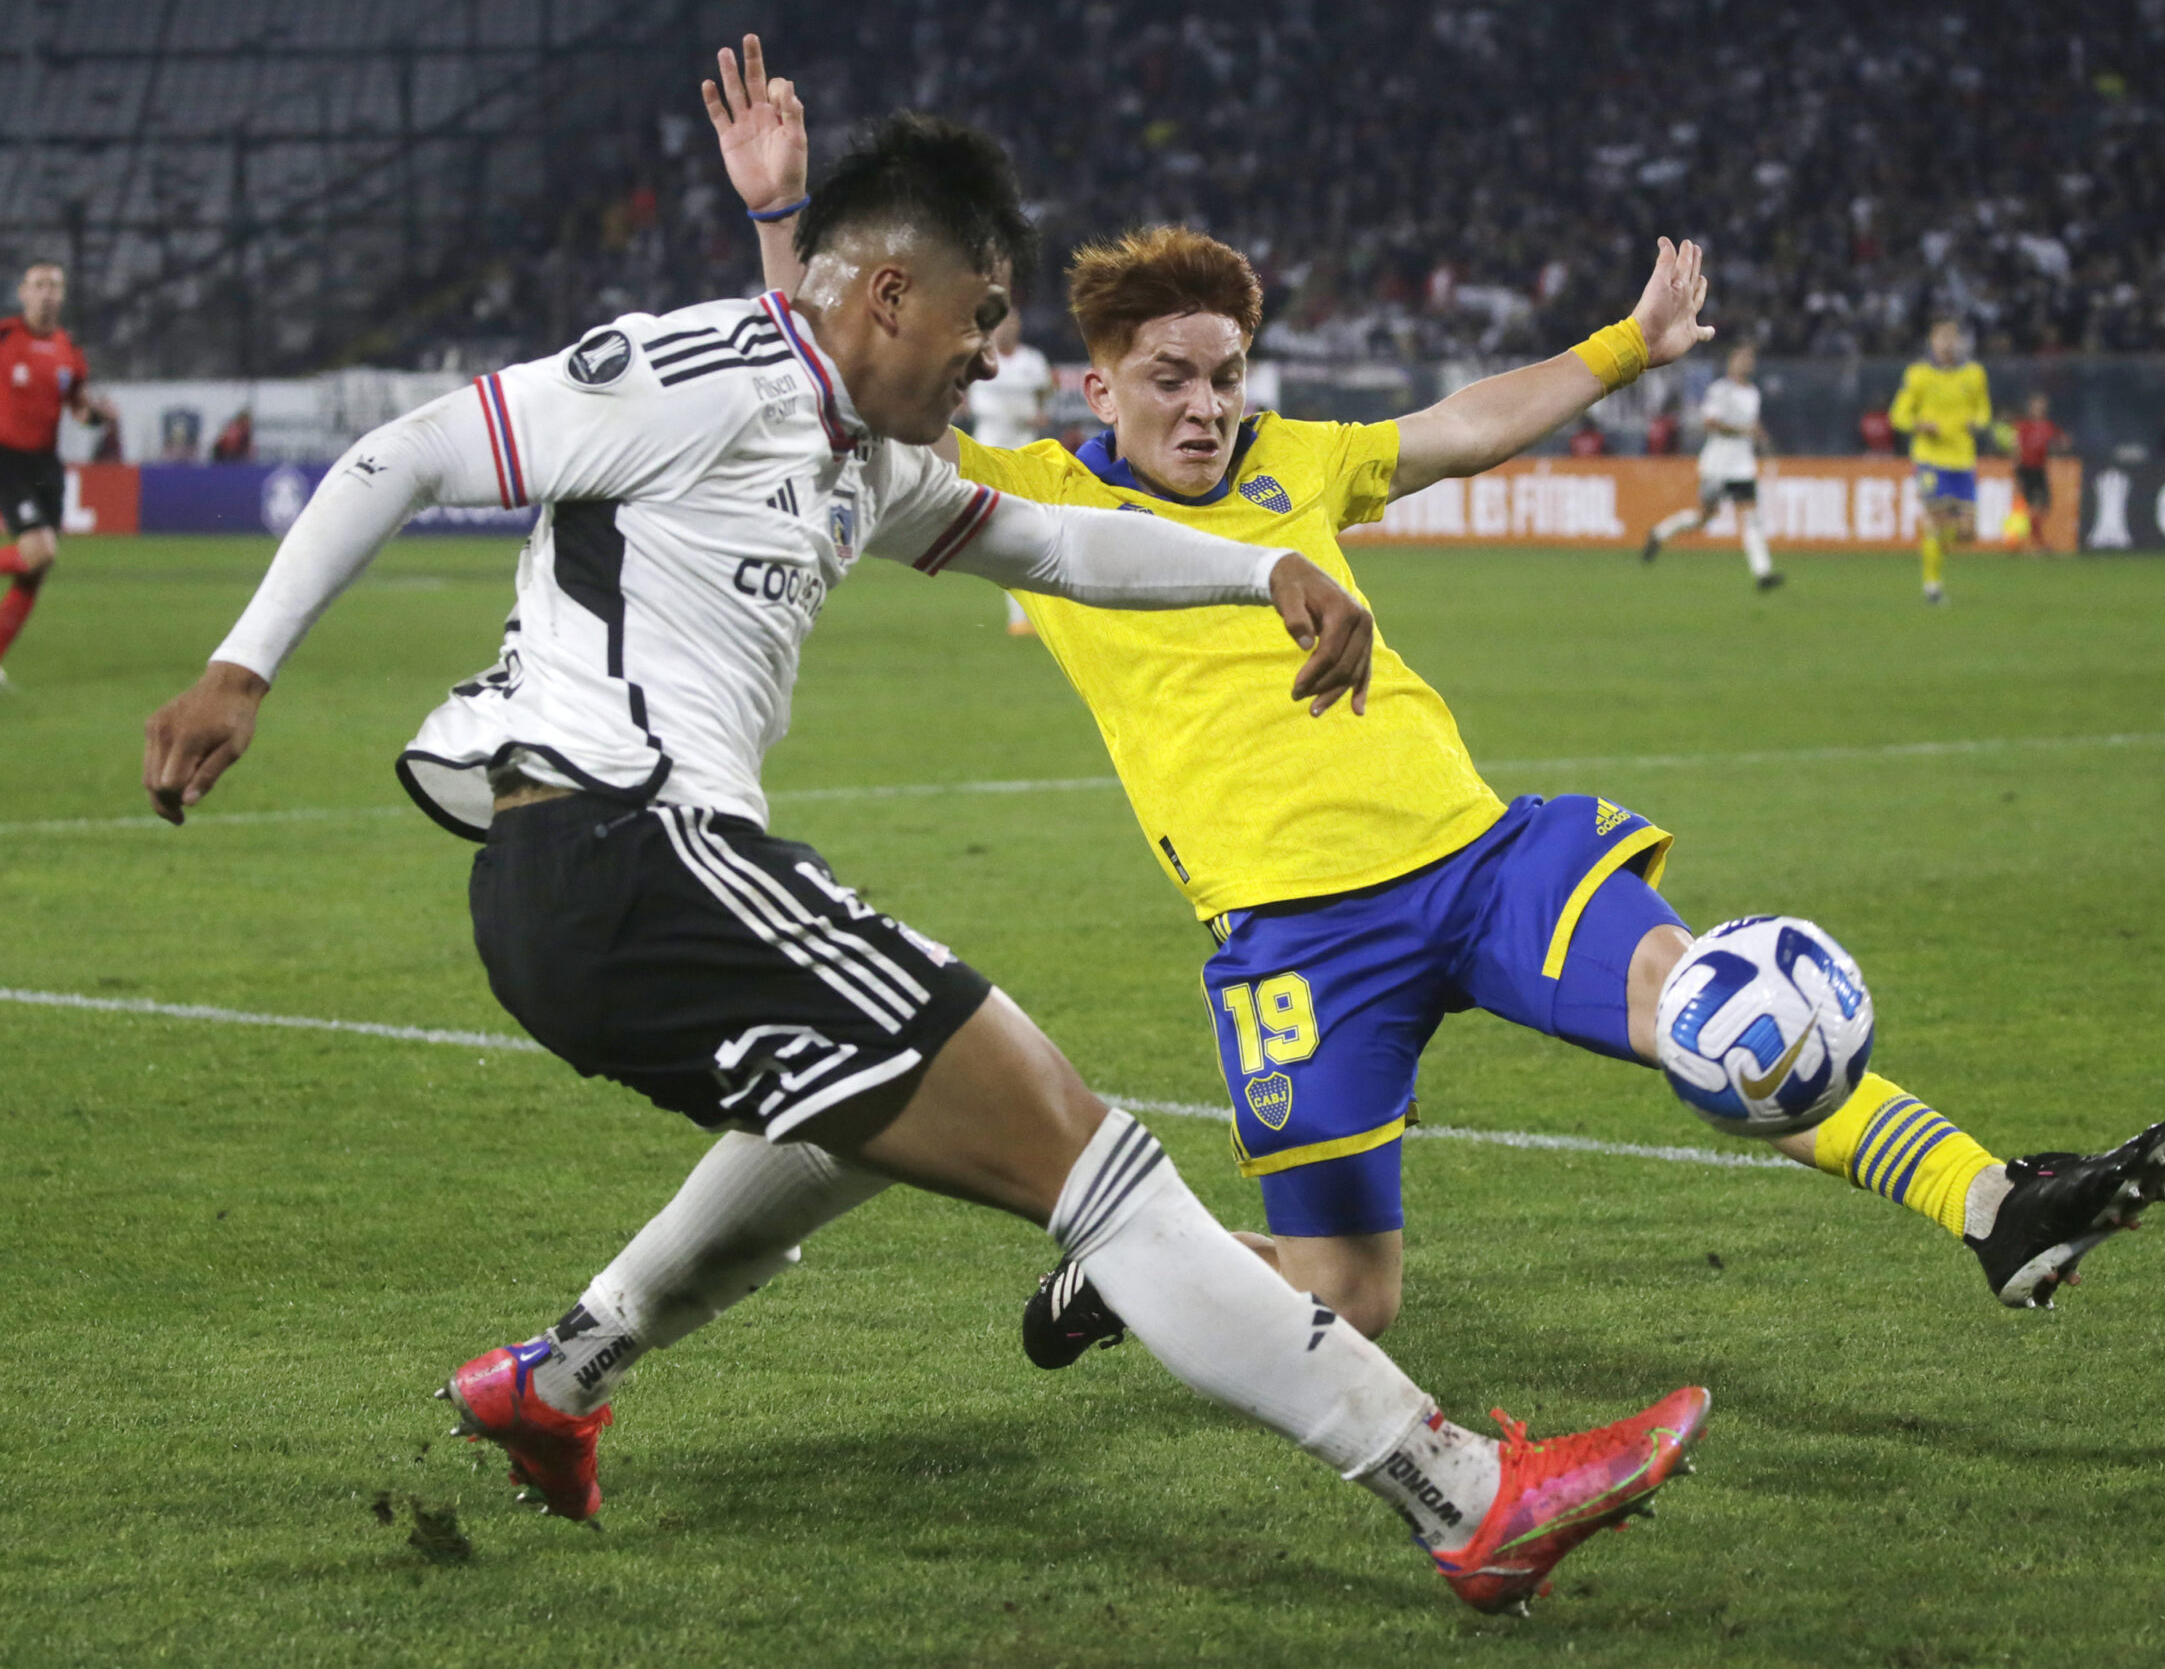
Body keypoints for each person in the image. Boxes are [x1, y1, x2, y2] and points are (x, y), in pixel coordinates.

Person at [141, 103, 1705, 1619]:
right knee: (1092, 1157)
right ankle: (1465, 1497)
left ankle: (560, 1376)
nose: (993, 355)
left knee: (854, 1129)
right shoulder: (699, 367)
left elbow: (1065, 545)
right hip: (630, 846)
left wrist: (1269, 567)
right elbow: (404, 451)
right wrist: (241, 668)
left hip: (599, 895)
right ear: (894, 292)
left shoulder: (864, 452)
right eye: (982, 317)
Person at [721, 43, 2165, 1361]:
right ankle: (1130, 1260)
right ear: (1096, 388)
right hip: (1295, 934)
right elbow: (827, 391)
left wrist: (1625, 346)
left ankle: (1995, 1200)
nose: (1204, 406)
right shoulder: (1030, 497)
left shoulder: (1300, 458)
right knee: (1349, 1296)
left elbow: (1469, 425)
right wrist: (785, 226)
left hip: (1479, 858)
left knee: (1702, 1001)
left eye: (1225, 375)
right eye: (1167, 379)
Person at [0, 261, 117, 689]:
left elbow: (80, 410)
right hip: (7, 459)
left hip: (46, 465)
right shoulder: (6, 335)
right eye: (39, 285)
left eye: (55, 286)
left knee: (34, 571)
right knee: (40, 552)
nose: (48, 293)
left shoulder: (70, 348)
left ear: (62, 295)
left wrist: (99, 417)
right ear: (23, 292)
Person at [1641, 345, 1776, 588]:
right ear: (1731, 361)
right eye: (1742, 357)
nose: (1746, 363)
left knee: (1751, 517)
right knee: (1704, 517)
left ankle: (1763, 573)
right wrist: (1744, 431)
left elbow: (1752, 424)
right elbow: (1711, 423)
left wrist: (1761, 437)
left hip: (1743, 466)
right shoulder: (1720, 390)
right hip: (1718, 464)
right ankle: (1659, 533)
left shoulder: (1753, 393)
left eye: (1749, 358)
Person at [965, 305, 1052, 636]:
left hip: (1024, 451)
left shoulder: (1032, 361)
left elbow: (1045, 391)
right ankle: (1020, 613)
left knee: (1023, 532)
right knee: (1010, 533)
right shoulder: (981, 358)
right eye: (1001, 324)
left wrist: (1041, 412)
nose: (1006, 330)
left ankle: (1022, 616)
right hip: (989, 451)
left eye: (1011, 323)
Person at [1889, 320, 1989, 605]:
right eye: (1941, 338)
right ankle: (1932, 587)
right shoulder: (1918, 374)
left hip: (1963, 458)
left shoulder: (1975, 374)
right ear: (1931, 342)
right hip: (1930, 458)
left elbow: (1984, 409)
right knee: (1938, 519)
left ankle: (1931, 537)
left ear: (1960, 342)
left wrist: (1977, 422)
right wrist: (1920, 425)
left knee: (1968, 533)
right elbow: (1898, 415)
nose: (1947, 343)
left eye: (1952, 338)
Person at [2009, 392, 2069, 552]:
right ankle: (2028, 543)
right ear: (2030, 407)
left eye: (2041, 405)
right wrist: (2015, 468)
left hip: (2039, 469)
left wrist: (2061, 445)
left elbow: (2062, 441)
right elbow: (2015, 445)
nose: (2038, 408)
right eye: (2035, 404)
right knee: (2029, 506)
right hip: (2026, 469)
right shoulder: (2023, 426)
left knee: (2043, 507)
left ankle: (2032, 541)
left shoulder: (2048, 426)